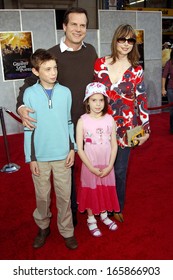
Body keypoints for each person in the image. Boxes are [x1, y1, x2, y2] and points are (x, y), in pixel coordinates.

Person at [16, 7, 98, 226]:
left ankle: (95, 208)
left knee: (93, 169)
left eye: (83, 25)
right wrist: (21, 107)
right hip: (63, 129)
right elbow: (28, 84)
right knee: (66, 176)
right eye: (74, 24)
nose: (78, 29)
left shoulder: (91, 52)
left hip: (88, 124)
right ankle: (69, 218)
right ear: (64, 26)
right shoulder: (51, 54)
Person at [94, 24, 150, 222]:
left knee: (119, 170)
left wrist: (146, 130)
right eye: (122, 39)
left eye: (130, 40)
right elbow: (93, 95)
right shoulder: (99, 64)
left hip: (127, 128)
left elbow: (141, 100)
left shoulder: (136, 70)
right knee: (101, 168)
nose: (126, 44)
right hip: (101, 127)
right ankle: (100, 204)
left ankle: (117, 206)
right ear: (115, 39)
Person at [23, 48, 78, 250]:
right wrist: (31, 158)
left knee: (64, 195)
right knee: (43, 196)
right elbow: (28, 128)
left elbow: (69, 122)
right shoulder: (29, 94)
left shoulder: (65, 92)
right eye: (47, 69)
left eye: (54, 68)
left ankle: (67, 230)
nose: (53, 72)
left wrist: (73, 148)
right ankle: (43, 226)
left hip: (63, 154)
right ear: (36, 71)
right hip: (40, 156)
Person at [76, 82, 120, 237]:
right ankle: (91, 219)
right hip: (90, 164)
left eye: (101, 100)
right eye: (93, 100)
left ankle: (103, 215)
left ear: (105, 101)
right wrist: (91, 168)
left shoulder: (110, 119)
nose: (98, 104)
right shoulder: (82, 120)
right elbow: (79, 148)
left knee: (104, 188)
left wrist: (110, 166)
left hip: (107, 162)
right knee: (91, 190)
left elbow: (114, 145)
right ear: (87, 101)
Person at [162, 48, 173, 134]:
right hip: (171, 89)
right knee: (172, 110)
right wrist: (163, 88)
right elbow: (164, 76)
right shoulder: (169, 63)